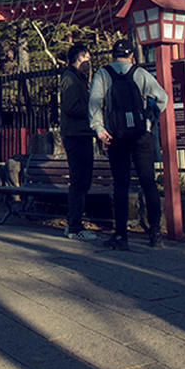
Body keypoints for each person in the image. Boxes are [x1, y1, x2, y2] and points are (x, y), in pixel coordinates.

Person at [89, 37, 164, 250]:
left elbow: (94, 102)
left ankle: (121, 236)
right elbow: (162, 97)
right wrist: (148, 120)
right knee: (148, 182)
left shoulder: (103, 74)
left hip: (116, 136)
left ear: (113, 54)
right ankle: (156, 234)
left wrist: (100, 129)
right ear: (132, 55)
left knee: (120, 184)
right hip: (141, 135)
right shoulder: (140, 73)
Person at [56, 42, 96, 240]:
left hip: (79, 133)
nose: (89, 64)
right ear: (79, 58)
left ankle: (74, 223)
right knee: (80, 180)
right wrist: (92, 114)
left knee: (81, 180)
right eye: (87, 59)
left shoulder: (76, 79)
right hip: (77, 134)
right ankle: (74, 226)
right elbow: (71, 106)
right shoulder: (72, 79)